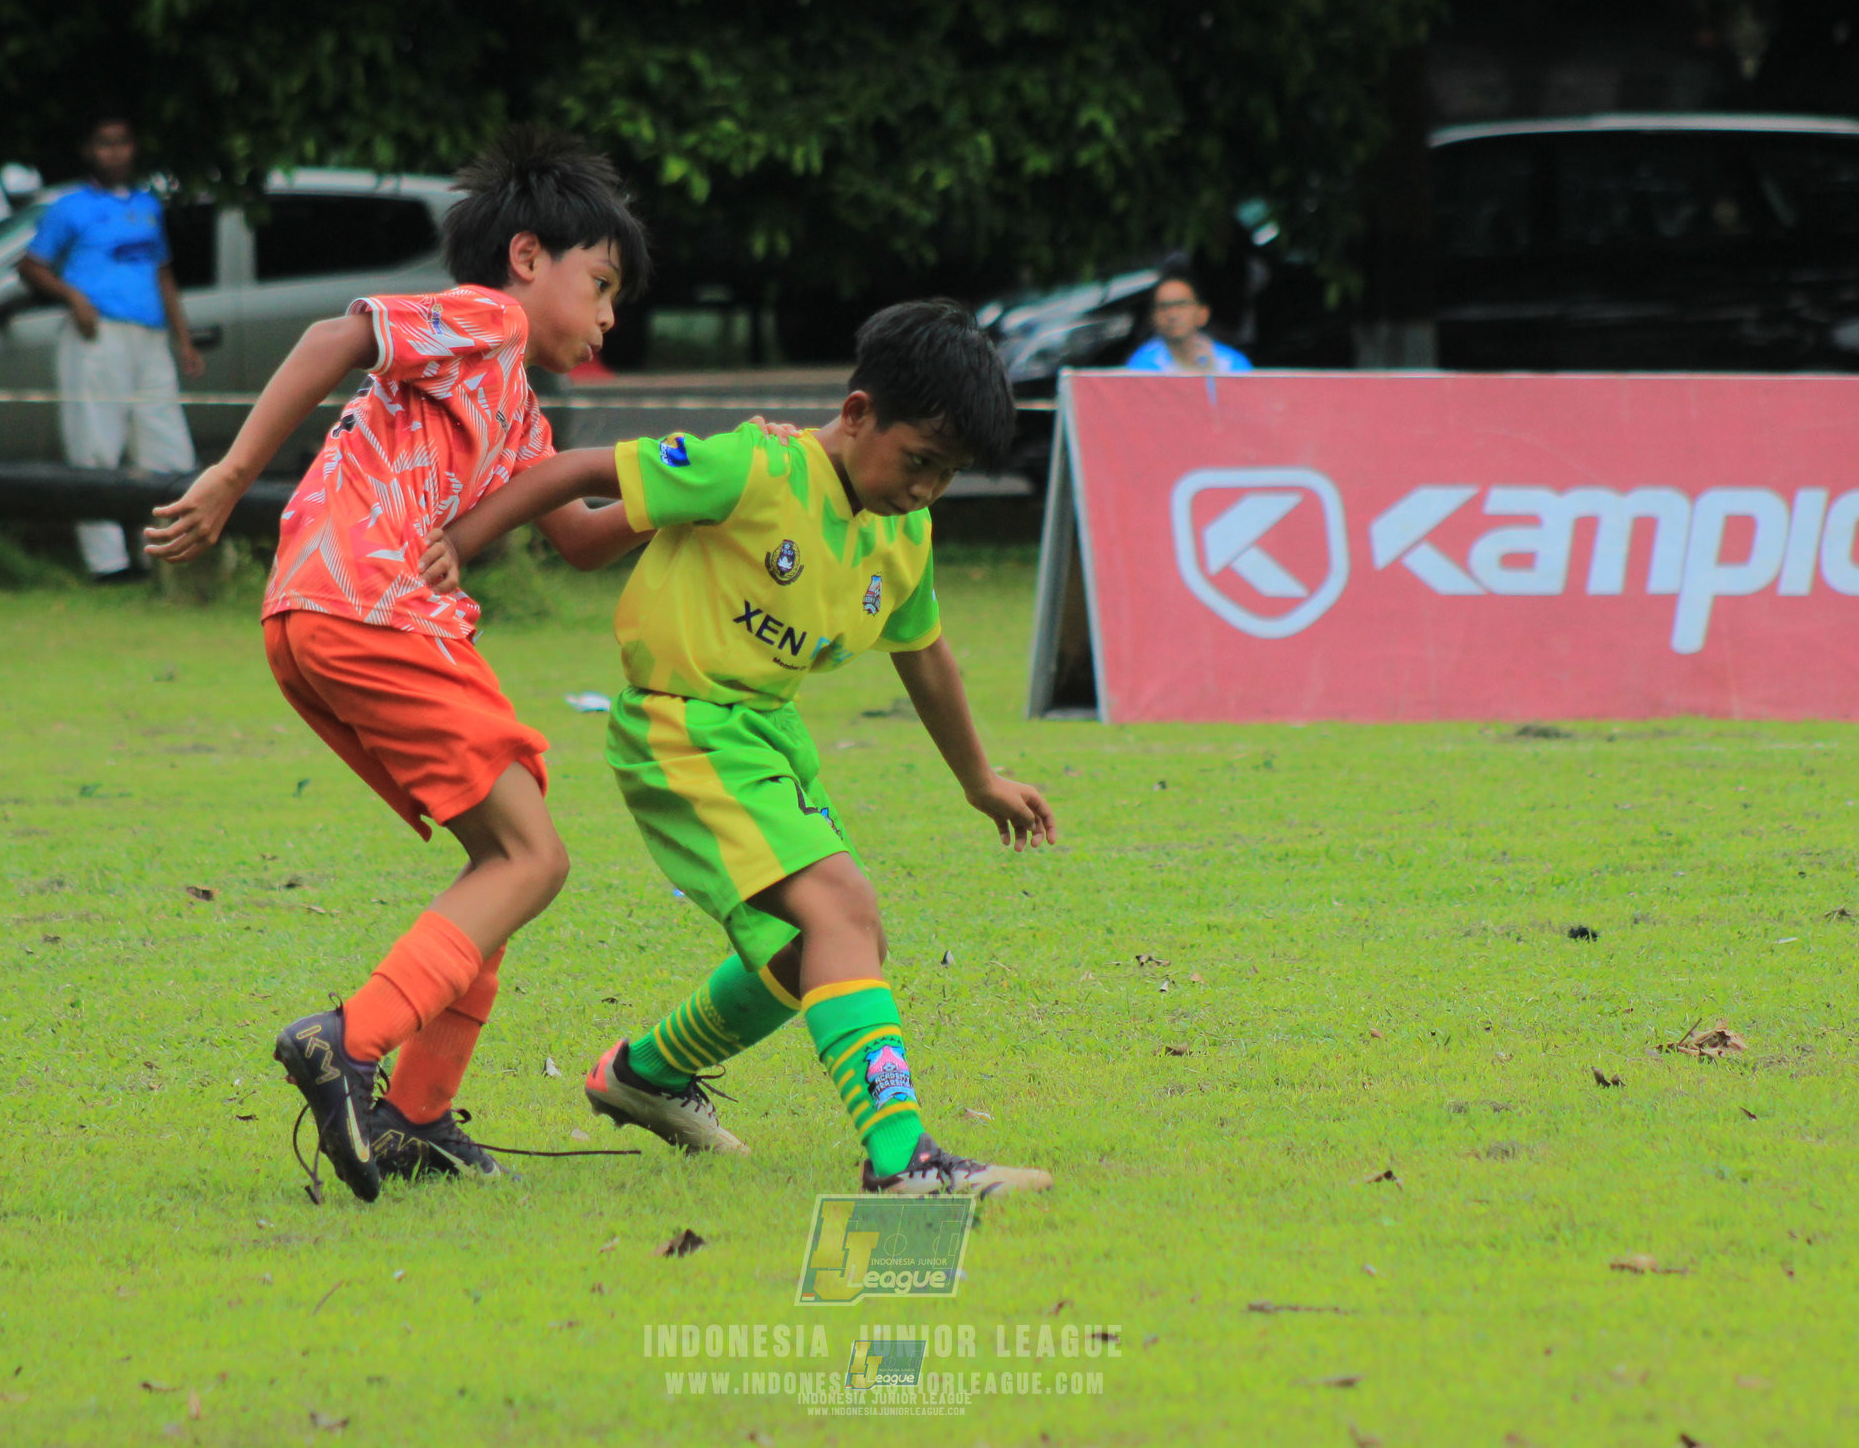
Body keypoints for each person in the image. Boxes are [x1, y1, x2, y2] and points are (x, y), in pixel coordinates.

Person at [417, 301, 1061, 1196]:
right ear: (859, 412)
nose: (926, 489)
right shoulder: (755, 465)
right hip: (681, 727)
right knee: (842, 908)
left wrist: (978, 777)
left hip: (765, 733)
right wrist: (456, 542)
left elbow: (924, 653)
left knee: (824, 944)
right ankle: (902, 1160)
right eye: (920, 460)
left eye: (948, 475)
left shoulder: (900, 530)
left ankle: (647, 1072)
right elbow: (580, 474)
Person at [141, 129, 654, 1200]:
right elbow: (336, 335)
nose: (609, 315)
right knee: (534, 858)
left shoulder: (514, 404)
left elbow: (575, 535)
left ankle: (415, 1116)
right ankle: (350, 1039)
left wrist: (702, 496)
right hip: (372, 605)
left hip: (315, 616)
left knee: (509, 850)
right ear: (527, 257)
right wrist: (231, 474)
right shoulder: (487, 319)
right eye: (601, 284)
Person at [17, 116, 206, 582]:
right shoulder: (69, 207)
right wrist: (73, 298)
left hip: (149, 336)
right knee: (96, 444)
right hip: (97, 334)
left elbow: (162, 273)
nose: (115, 153)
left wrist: (183, 339)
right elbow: (31, 265)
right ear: (88, 150)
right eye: (104, 144)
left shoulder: (147, 205)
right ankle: (107, 563)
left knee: (167, 447)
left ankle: (163, 556)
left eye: (122, 143)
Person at [1125, 265, 1253, 374]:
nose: (1172, 315)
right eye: (1164, 307)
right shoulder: (1140, 366)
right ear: (1153, 317)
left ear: (1203, 313)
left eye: (1181, 305)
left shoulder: (1232, 363)